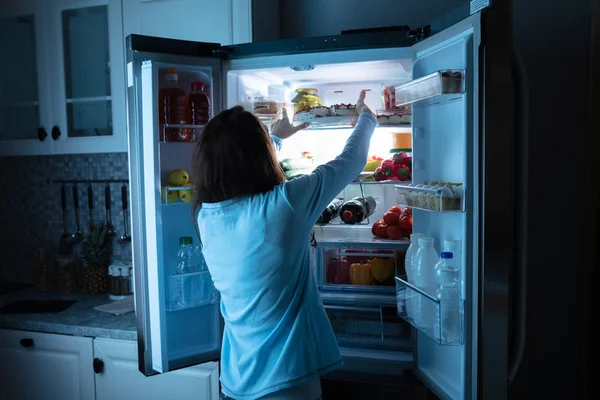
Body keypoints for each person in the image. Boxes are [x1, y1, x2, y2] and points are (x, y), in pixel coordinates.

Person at [192, 91, 377, 400]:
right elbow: (351, 161)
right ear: (259, 155)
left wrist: (275, 138)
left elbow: (239, 176)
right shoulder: (285, 204)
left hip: (234, 383)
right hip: (287, 385)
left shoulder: (206, 217)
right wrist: (367, 118)